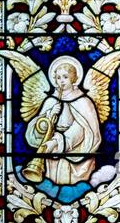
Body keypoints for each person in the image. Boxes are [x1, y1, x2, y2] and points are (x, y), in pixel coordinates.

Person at [25, 57, 102, 187]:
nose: (61, 81)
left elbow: (86, 128)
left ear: (74, 78)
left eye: (65, 77)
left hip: (77, 150)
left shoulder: (83, 101)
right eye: (58, 77)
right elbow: (38, 128)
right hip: (53, 153)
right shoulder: (51, 101)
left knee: (73, 186)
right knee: (52, 185)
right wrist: (50, 115)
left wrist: (57, 142)